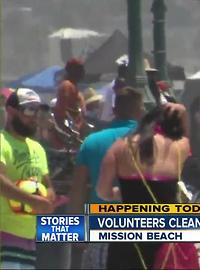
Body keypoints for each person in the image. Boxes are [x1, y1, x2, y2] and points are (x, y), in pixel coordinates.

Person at [97, 102, 190, 269]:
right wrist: (181, 113)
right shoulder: (180, 147)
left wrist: (121, 193)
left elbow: (103, 191)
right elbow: (183, 131)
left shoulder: (120, 146)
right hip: (164, 236)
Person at [68, 87, 144, 269]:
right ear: (140, 111)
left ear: (114, 110)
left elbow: (77, 190)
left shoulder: (92, 142)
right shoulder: (151, 142)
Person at [0, 88, 55, 269]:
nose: (34, 117)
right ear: (11, 110)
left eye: (37, 110)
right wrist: (31, 199)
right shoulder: (2, 142)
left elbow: (47, 183)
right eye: (29, 110)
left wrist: (49, 199)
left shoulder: (37, 148)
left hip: (29, 236)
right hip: (4, 233)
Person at [53, 58, 86, 140]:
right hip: (70, 135)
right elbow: (60, 113)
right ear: (73, 70)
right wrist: (67, 132)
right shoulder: (66, 86)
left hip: (76, 131)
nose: (83, 72)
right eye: (80, 69)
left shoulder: (74, 87)